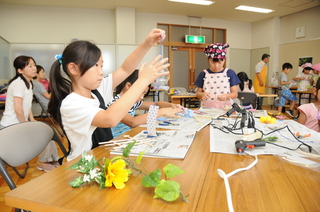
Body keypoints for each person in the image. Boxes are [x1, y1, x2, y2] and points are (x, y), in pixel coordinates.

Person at [48, 28, 170, 161]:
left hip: (102, 155)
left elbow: (125, 69)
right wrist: (142, 81)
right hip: (83, 165)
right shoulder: (71, 104)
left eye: (102, 66)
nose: (101, 72)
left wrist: (147, 44)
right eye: (96, 65)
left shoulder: (97, 91)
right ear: (73, 68)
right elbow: (110, 119)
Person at [0, 55, 59, 171]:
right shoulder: (18, 84)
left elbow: (27, 106)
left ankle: (52, 159)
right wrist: (26, 125)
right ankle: (44, 162)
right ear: (20, 70)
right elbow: (18, 108)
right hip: (10, 126)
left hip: (19, 123)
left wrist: (32, 119)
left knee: (47, 131)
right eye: (29, 66)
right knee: (42, 135)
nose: (34, 68)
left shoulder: (29, 83)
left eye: (34, 65)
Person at [107, 69, 183, 138]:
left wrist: (171, 105)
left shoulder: (132, 103)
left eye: (144, 94)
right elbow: (133, 122)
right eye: (141, 92)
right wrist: (162, 112)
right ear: (128, 86)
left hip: (128, 136)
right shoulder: (115, 103)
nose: (142, 97)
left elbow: (157, 104)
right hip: (115, 140)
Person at [194, 43, 240, 109]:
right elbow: (198, 93)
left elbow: (235, 94)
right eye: (212, 62)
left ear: (224, 60)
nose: (216, 66)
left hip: (226, 108)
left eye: (220, 62)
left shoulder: (230, 73)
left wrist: (226, 96)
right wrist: (202, 95)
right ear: (208, 60)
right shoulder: (203, 74)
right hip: (207, 108)